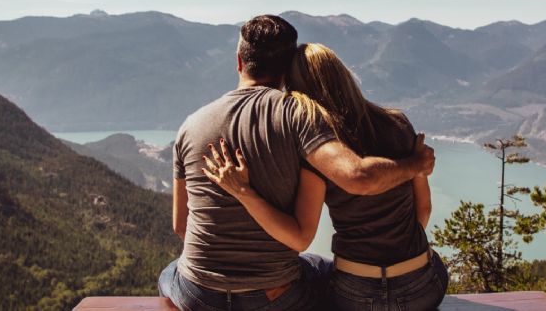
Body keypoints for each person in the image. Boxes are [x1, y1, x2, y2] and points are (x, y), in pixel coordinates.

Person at [158, 16, 436, 311]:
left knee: (169, 273)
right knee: (316, 267)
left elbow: (181, 225)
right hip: (274, 297)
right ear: (286, 70)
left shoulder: (190, 125)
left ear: (240, 62)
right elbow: (354, 180)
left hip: (199, 294)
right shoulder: (300, 116)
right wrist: (415, 165)